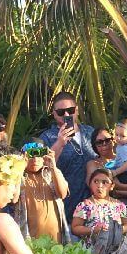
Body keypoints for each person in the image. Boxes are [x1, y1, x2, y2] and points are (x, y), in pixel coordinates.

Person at [39, 92, 95, 221]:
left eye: (70, 110)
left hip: (92, 204)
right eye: (61, 112)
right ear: (54, 114)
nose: (66, 115)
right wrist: (59, 143)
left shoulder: (90, 132)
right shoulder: (46, 137)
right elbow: (41, 166)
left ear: (77, 110)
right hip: (64, 205)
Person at [18, 141, 70, 243]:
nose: (35, 159)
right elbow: (13, 198)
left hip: (55, 241)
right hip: (28, 241)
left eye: (39, 154)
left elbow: (62, 194)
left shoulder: (52, 173)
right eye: (31, 154)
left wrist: (53, 167)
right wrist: (20, 167)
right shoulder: (18, 176)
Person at [71, 167, 127, 251]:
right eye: (96, 181)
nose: (99, 186)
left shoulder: (119, 205)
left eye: (105, 182)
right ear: (90, 184)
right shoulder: (85, 206)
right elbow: (75, 228)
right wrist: (93, 230)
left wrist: (117, 230)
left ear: (112, 186)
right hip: (91, 252)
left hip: (116, 251)